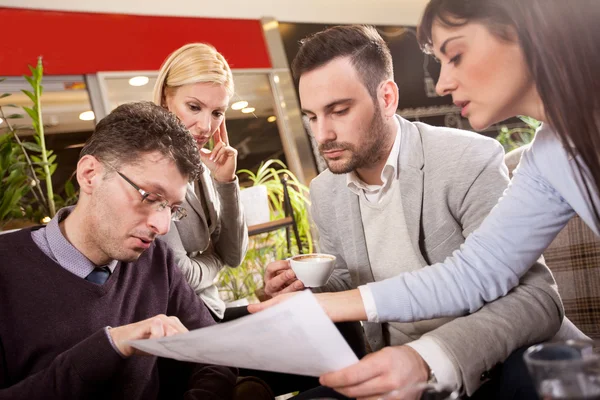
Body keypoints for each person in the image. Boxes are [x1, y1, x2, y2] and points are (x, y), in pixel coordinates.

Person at [252, 25, 573, 399]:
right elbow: (347, 279)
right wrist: (306, 288)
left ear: (387, 98)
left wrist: (426, 357)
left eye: (339, 111)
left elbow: (528, 296)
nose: (322, 134)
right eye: (311, 116)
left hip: (490, 364)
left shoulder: (467, 157)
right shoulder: (325, 190)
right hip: (393, 371)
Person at [0, 102, 237, 399]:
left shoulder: (156, 260)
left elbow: (215, 356)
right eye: (150, 197)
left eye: (173, 209)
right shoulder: (6, 272)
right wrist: (108, 347)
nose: (162, 226)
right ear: (89, 174)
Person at [153, 43, 248, 320]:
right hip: (172, 325)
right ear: (164, 99)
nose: (207, 126)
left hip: (211, 312)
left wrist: (226, 181)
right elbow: (183, 277)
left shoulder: (203, 166)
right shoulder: (150, 172)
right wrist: (215, 259)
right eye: (194, 107)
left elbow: (234, 255)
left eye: (217, 113)